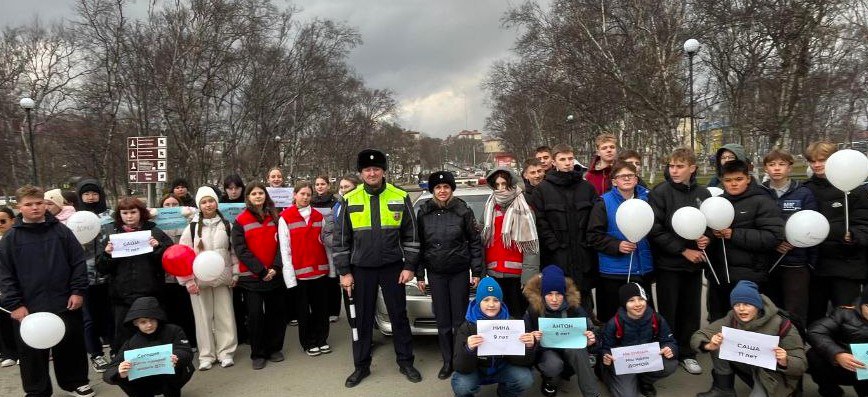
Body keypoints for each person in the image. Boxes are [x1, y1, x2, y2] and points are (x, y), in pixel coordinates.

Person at [333, 149, 422, 387]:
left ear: (383, 171)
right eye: (367, 170)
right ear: (361, 173)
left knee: (399, 316)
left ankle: (406, 362)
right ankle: (361, 366)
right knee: (361, 320)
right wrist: (344, 272)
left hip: (393, 267)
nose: (372, 173)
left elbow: (411, 235)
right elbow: (341, 240)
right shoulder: (349, 198)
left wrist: (410, 266)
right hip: (361, 269)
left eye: (376, 169)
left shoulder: (399, 195)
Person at [0, 185, 95, 397]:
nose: (35, 208)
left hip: (65, 302)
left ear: (45, 204)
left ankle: (75, 382)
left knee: (70, 345)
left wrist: (77, 291)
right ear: (19, 207)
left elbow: (78, 263)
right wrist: (15, 304)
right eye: (29, 204)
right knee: (30, 352)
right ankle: (37, 390)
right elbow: (4, 275)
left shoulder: (62, 232)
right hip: (28, 307)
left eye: (39, 203)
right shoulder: (10, 239)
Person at [647, 147, 710, 375]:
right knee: (669, 311)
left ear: (692, 168)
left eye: (680, 166)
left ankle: (687, 352)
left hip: (694, 266)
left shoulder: (703, 194)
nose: (674, 170)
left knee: (691, 310)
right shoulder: (660, 193)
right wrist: (683, 250)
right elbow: (655, 230)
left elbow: (709, 224)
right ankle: (668, 349)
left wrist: (707, 238)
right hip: (668, 265)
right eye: (671, 166)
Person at [416, 171, 484, 380]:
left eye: (446, 187)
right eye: (438, 187)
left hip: (459, 272)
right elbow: (418, 245)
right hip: (436, 273)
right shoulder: (423, 212)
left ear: (452, 189)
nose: (442, 191)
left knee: (459, 321)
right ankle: (447, 362)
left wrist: (477, 271)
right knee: (443, 322)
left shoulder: (463, 210)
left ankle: (459, 358)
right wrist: (420, 275)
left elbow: (475, 241)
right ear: (433, 190)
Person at [692, 280, 806, 397]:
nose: (741, 309)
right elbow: (699, 335)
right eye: (737, 304)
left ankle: (790, 393)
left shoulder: (782, 324)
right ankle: (723, 389)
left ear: (757, 305)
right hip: (751, 366)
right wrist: (708, 345)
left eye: (747, 304)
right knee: (717, 341)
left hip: (773, 375)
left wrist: (785, 361)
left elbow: (801, 365)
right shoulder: (732, 318)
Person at [705, 159, 784, 321]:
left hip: (750, 277)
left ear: (748, 178)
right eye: (728, 180)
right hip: (719, 277)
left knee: (747, 324)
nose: (733, 184)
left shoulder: (762, 202)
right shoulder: (716, 204)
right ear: (722, 181)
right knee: (719, 322)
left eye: (738, 179)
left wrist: (733, 234)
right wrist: (708, 238)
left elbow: (773, 237)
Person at [96, 197, 174, 355]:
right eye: (125, 213)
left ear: (141, 213)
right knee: (124, 336)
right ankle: (126, 369)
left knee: (153, 332)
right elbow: (101, 268)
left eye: (133, 212)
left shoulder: (154, 231)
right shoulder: (111, 233)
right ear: (119, 215)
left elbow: (169, 260)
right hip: (121, 296)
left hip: (150, 294)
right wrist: (107, 254)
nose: (129, 216)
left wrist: (157, 248)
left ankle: (158, 365)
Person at [803, 140, 868, 324]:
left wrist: (855, 236)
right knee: (815, 316)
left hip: (847, 266)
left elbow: (864, 224)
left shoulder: (855, 190)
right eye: (812, 161)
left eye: (822, 160)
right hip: (817, 264)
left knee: (847, 319)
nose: (816, 165)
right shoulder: (806, 189)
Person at [532, 144, 597, 314]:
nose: (567, 163)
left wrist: (588, 242)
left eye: (570, 158)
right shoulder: (543, 190)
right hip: (557, 256)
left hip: (583, 254)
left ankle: (588, 335)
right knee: (559, 301)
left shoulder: (586, 187)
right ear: (554, 162)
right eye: (562, 159)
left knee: (584, 303)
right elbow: (540, 222)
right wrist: (554, 246)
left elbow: (595, 219)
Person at [178, 187, 237, 370]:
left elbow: (233, 252)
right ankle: (206, 355)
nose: (208, 204)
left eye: (210, 200)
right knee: (203, 319)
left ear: (216, 203)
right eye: (203, 202)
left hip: (222, 278)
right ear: (199, 205)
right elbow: (182, 256)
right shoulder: (192, 228)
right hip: (199, 282)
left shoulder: (227, 225)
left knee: (225, 316)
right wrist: (187, 281)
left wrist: (235, 273)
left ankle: (226, 352)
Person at [588, 161, 654, 322]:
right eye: (621, 176)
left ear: (636, 179)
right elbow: (593, 236)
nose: (626, 179)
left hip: (641, 270)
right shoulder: (603, 203)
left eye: (630, 175)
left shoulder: (647, 201)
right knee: (613, 319)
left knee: (642, 318)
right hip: (613, 272)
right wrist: (616, 245)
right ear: (614, 181)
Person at [230, 182, 286, 370]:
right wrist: (261, 271)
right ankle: (258, 353)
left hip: (274, 274)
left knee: (276, 313)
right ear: (248, 197)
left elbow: (282, 244)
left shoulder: (275, 216)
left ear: (265, 195)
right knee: (255, 316)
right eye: (254, 194)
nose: (258, 196)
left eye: (261, 193)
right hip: (252, 278)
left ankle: (274, 348)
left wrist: (275, 268)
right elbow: (241, 250)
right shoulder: (240, 221)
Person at [760, 149, 817, 326]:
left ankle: (794, 351)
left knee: (795, 312)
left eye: (781, 164)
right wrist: (774, 243)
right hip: (767, 262)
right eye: (772, 164)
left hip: (796, 263)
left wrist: (810, 262)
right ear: (765, 169)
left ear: (789, 168)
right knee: (769, 310)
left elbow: (812, 224)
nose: (776, 169)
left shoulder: (803, 193)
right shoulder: (759, 193)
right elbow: (755, 225)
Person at [452, 277, 535, 397]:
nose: (491, 304)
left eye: (496, 300)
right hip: (476, 371)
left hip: (501, 368)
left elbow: (525, 362)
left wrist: (528, 347)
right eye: (486, 300)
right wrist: (468, 349)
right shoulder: (467, 326)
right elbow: (460, 367)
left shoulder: (512, 324)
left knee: (525, 378)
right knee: (462, 385)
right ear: (478, 301)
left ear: (501, 302)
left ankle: (505, 393)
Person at [524, 266, 600, 397]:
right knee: (553, 365)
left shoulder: (575, 308)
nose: (554, 299)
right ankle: (550, 380)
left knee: (578, 350)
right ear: (542, 294)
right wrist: (532, 339)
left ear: (564, 293)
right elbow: (524, 339)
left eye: (558, 294)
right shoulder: (533, 310)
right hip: (546, 353)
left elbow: (593, 333)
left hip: (571, 350)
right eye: (549, 294)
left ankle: (592, 394)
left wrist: (591, 340)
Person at [278, 182, 332, 357]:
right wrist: (289, 277)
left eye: (308, 194)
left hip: (320, 272)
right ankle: (308, 343)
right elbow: (285, 250)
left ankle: (322, 339)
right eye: (302, 194)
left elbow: (327, 246)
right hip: (300, 274)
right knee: (303, 311)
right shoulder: (285, 217)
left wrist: (332, 271)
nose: (305, 197)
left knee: (322, 310)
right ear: (294, 195)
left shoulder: (318, 216)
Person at [103, 296, 194, 397]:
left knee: (177, 367)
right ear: (135, 323)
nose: (149, 325)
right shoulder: (131, 342)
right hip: (146, 381)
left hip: (171, 377)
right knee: (122, 376)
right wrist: (119, 372)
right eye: (143, 322)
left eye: (152, 320)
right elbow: (109, 371)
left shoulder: (173, 330)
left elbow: (186, 351)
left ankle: (172, 393)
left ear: (158, 318)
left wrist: (177, 357)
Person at [600, 283, 678, 397]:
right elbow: (605, 348)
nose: (637, 304)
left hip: (646, 361)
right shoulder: (614, 323)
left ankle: (645, 381)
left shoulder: (656, 318)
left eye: (641, 299)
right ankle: (610, 379)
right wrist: (606, 356)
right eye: (631, 300)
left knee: (670, 365)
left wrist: (670, 349)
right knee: (627, 394)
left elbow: (669, 341)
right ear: (624, 304)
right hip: (625, 365)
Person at [483, 167, 539, 318]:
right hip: (493, 273)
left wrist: (528, 278)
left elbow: (531, 247)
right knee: (497, 317)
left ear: (512, 184)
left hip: (517, 276)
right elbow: (482, 241)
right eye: (497, 185)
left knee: (517, 316)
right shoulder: (489, 207)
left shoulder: (525, 209)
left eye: (504, 184)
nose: (501, 188)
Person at [75, 178, 114, 371]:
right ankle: (96, 355)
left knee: (111, 316)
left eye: (95, 193)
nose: (91, 197)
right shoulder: (76, 219)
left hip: (109, 275)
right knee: (89, 320)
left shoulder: (110, 216)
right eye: (86, 194)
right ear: (80, 196)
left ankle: (116, 350)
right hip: (86, 278)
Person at [807, 288, 868, 397]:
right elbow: (815, 331)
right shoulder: (844, 313)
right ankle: (831, 392)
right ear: (862, 303)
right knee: (813, 355)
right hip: (844, 365)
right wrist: (837, 354)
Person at [156, 194, 198, 351]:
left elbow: (197, 219)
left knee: (187, 309)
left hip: (185, 271)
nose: (171, 208)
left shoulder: (187, 221)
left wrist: (190, 213)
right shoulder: (156, 223)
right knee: (169, 311)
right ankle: (174, 343)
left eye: (175, 204)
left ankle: (191, 340)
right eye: (167, 205)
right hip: (166, 275)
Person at [311, 175, 341, 323]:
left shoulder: (335, 202)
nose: (320, 187)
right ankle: (320, 307)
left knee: (332, 276)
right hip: (314, 241)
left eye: (323, 184)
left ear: (328, 185)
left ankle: (334, 310)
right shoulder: (310, 201)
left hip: (330, 241)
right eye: (317, 184)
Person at [0, 207, 16, 368]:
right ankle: (8, 352)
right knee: (3, 322)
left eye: (3, 221)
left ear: (12, 220)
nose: (0, 225)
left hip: (16, 287)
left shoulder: (16, 239)